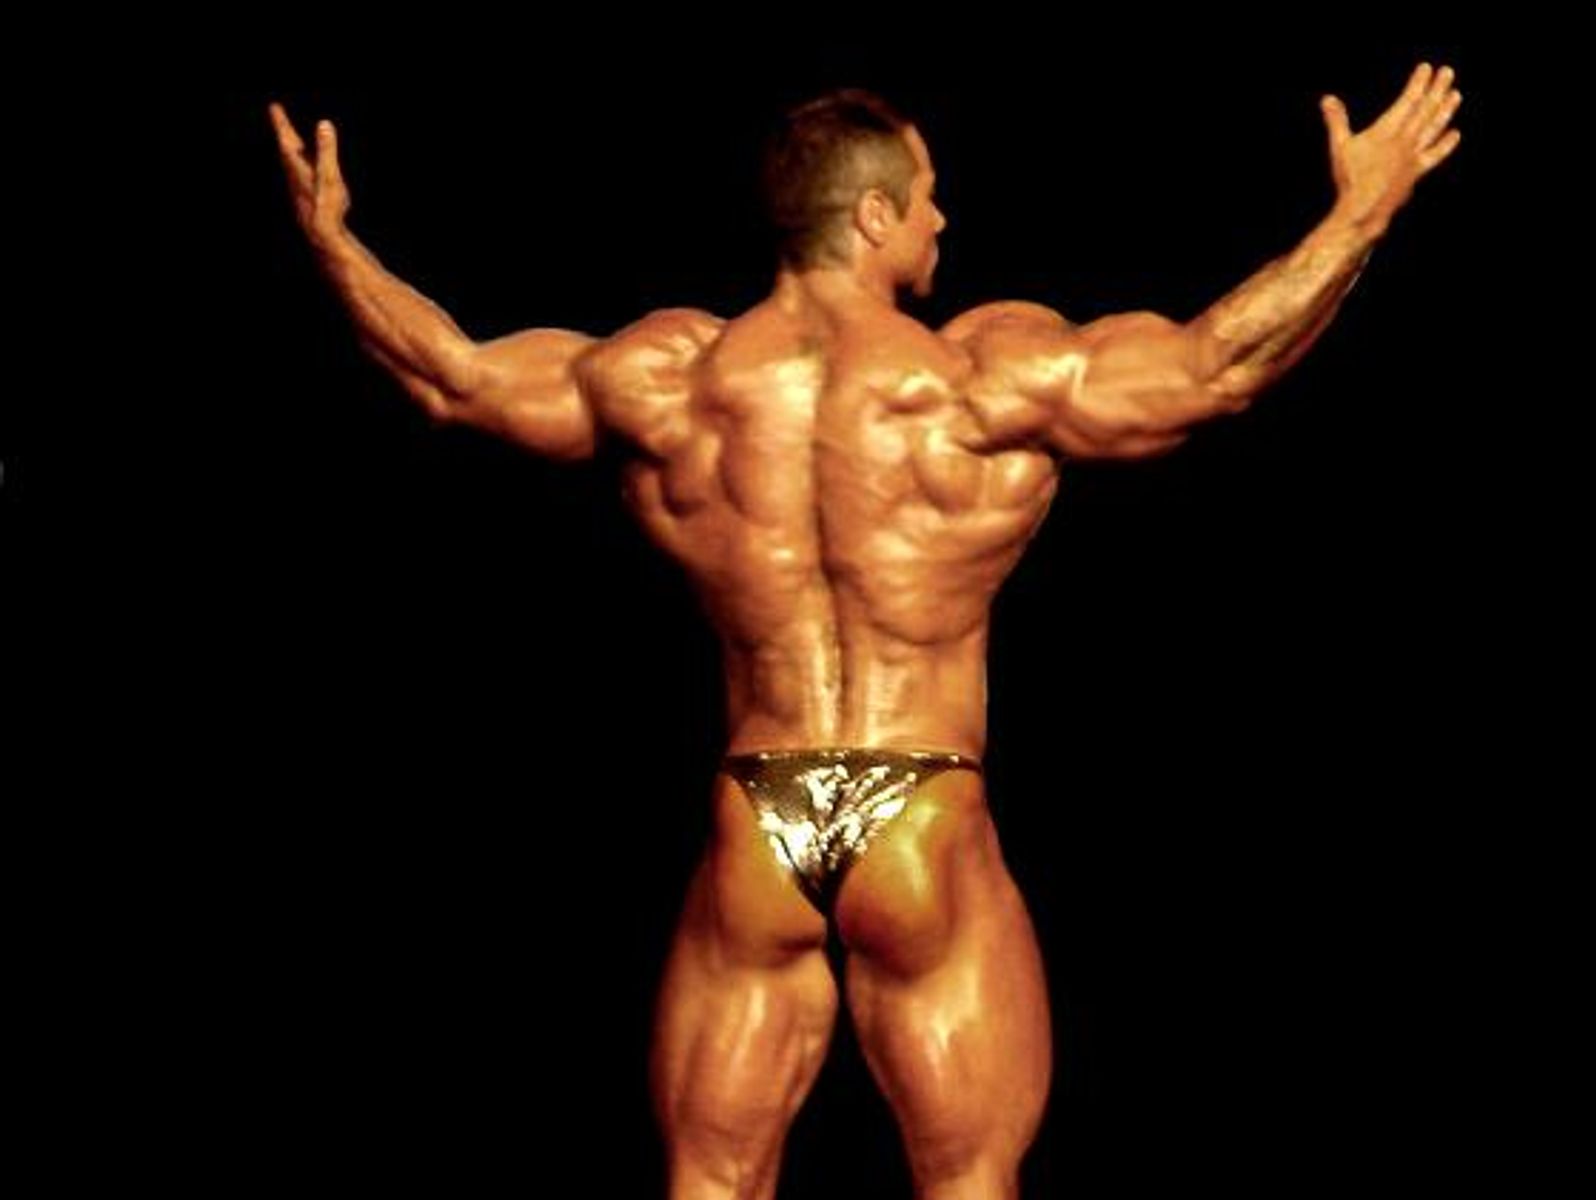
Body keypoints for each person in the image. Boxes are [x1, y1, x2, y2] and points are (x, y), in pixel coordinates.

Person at [270, 63, 1461, 1200]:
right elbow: (1215, 368)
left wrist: (335, 247)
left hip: (760, 812)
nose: (942, 219)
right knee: (966, 1179)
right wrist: (1363, 212)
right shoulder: (980, 379)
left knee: (710, 1180)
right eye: (928, 197)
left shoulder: (673, 383)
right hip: (920, 806)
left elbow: (455, 378)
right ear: (874, 214)